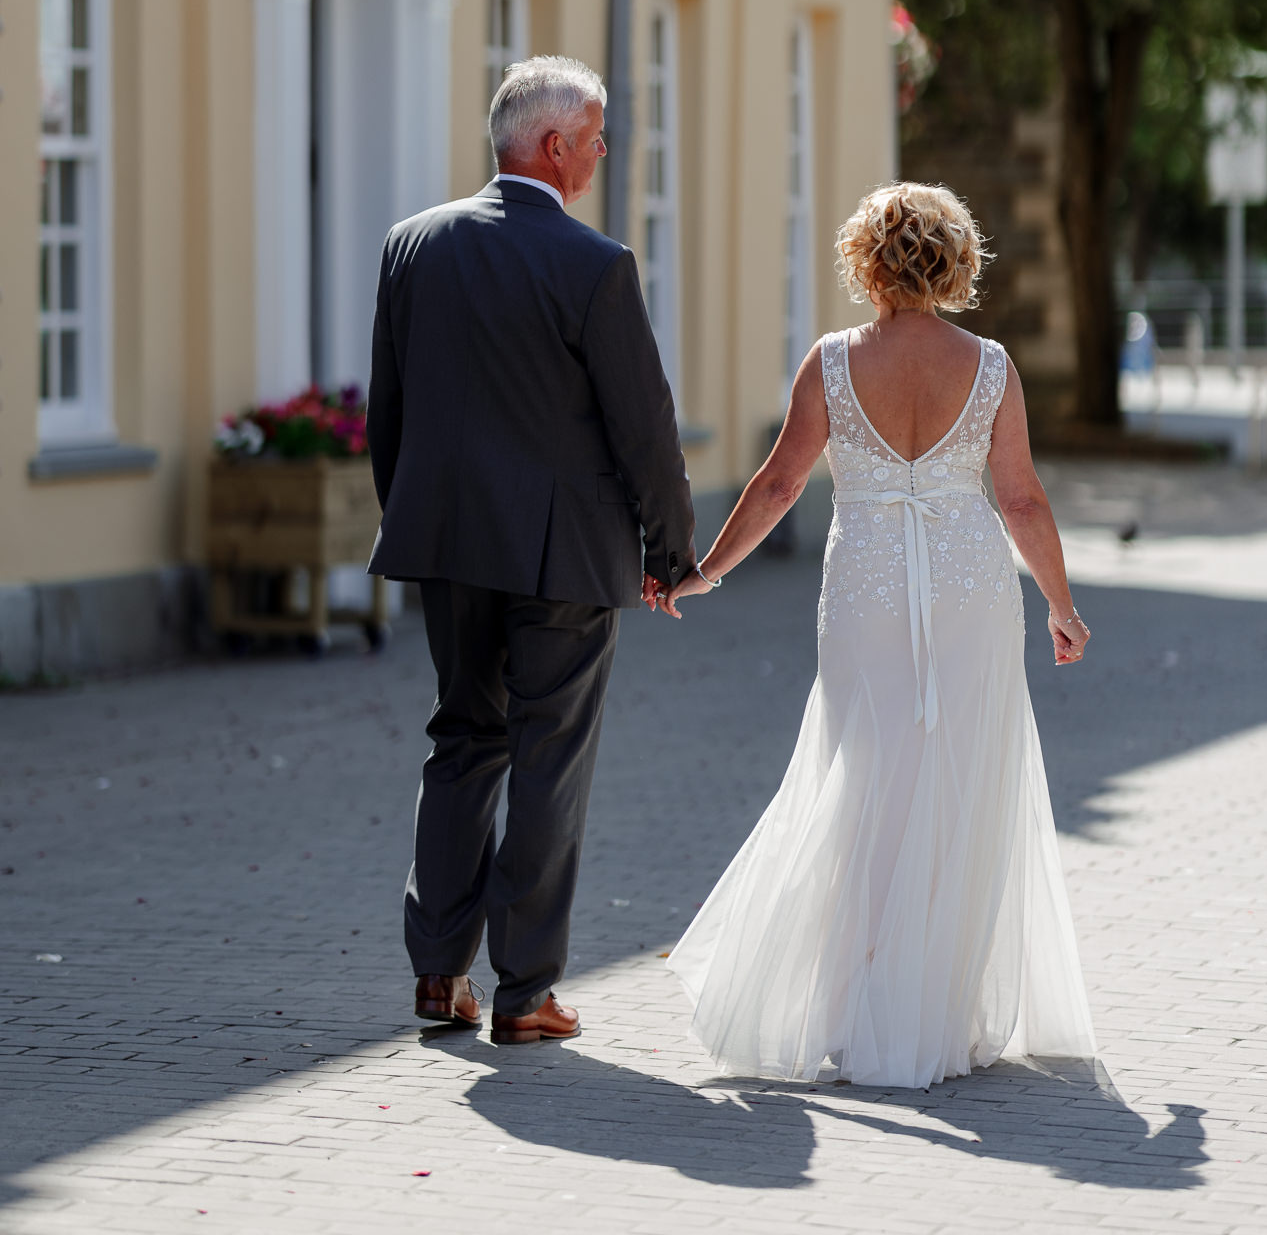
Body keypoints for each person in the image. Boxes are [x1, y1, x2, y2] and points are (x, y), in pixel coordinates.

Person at [665, 181, 1096, 1087]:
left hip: (863, 588)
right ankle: (931, 1008)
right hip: (971, 585)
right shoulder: (990, 366)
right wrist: (1061, 604)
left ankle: (861, 1002)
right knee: (960, 775)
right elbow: (1019, 497)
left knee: (866, 772)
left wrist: (706, 571)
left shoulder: (830, 361)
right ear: (955, 261)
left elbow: (779, 485)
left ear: (867, 261)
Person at [366, 56, 695, 1045]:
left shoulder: (410, 244)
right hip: (563, 556)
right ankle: (523, 993)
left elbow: (390, 410)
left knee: (463, 739)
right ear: (553, 145)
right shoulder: (593, 263)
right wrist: (670, 549)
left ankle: (438, 974)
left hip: (446, 541)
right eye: (595, 135)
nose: (602, 151)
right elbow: (645, 425)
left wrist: (415, 517)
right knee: (549, 758)